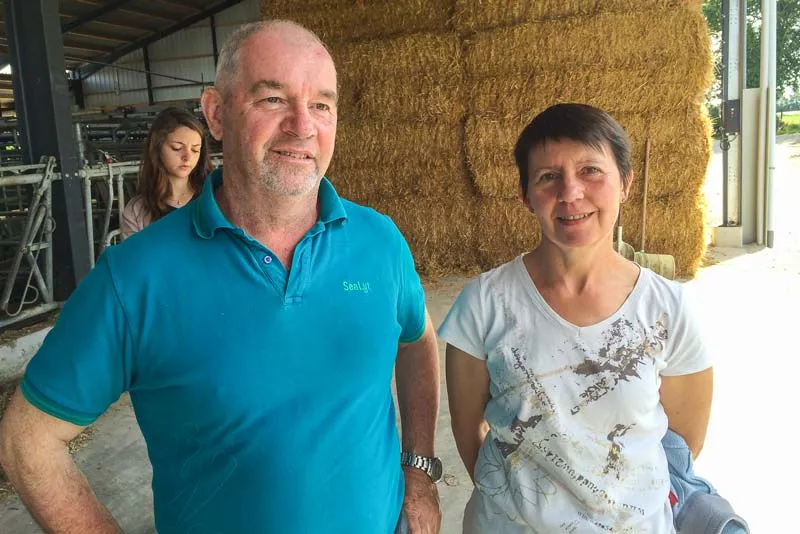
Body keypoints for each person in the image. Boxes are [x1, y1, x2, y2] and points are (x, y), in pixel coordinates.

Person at [0, 20, 442, 534]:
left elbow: (417, 340)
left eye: (322, 105)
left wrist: (419, 470)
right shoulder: (135, 277)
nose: (302, 126)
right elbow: (27, 440)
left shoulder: (379, 241)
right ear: (215, 113)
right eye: (273, 99)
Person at [439, 103, 713, 533]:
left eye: (591, 171)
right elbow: (468, 430)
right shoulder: (483, 304)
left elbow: (682, 443)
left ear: (626, 183)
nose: (570, 192)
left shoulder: (667, 310)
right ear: (525, 195)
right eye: (548, 177)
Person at [120, 106, 213, 238]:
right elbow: (133, 251)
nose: (187, 157)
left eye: (195, 150)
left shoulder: (214, 198)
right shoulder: (137, 211)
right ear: (157, 148)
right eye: (177, 148)